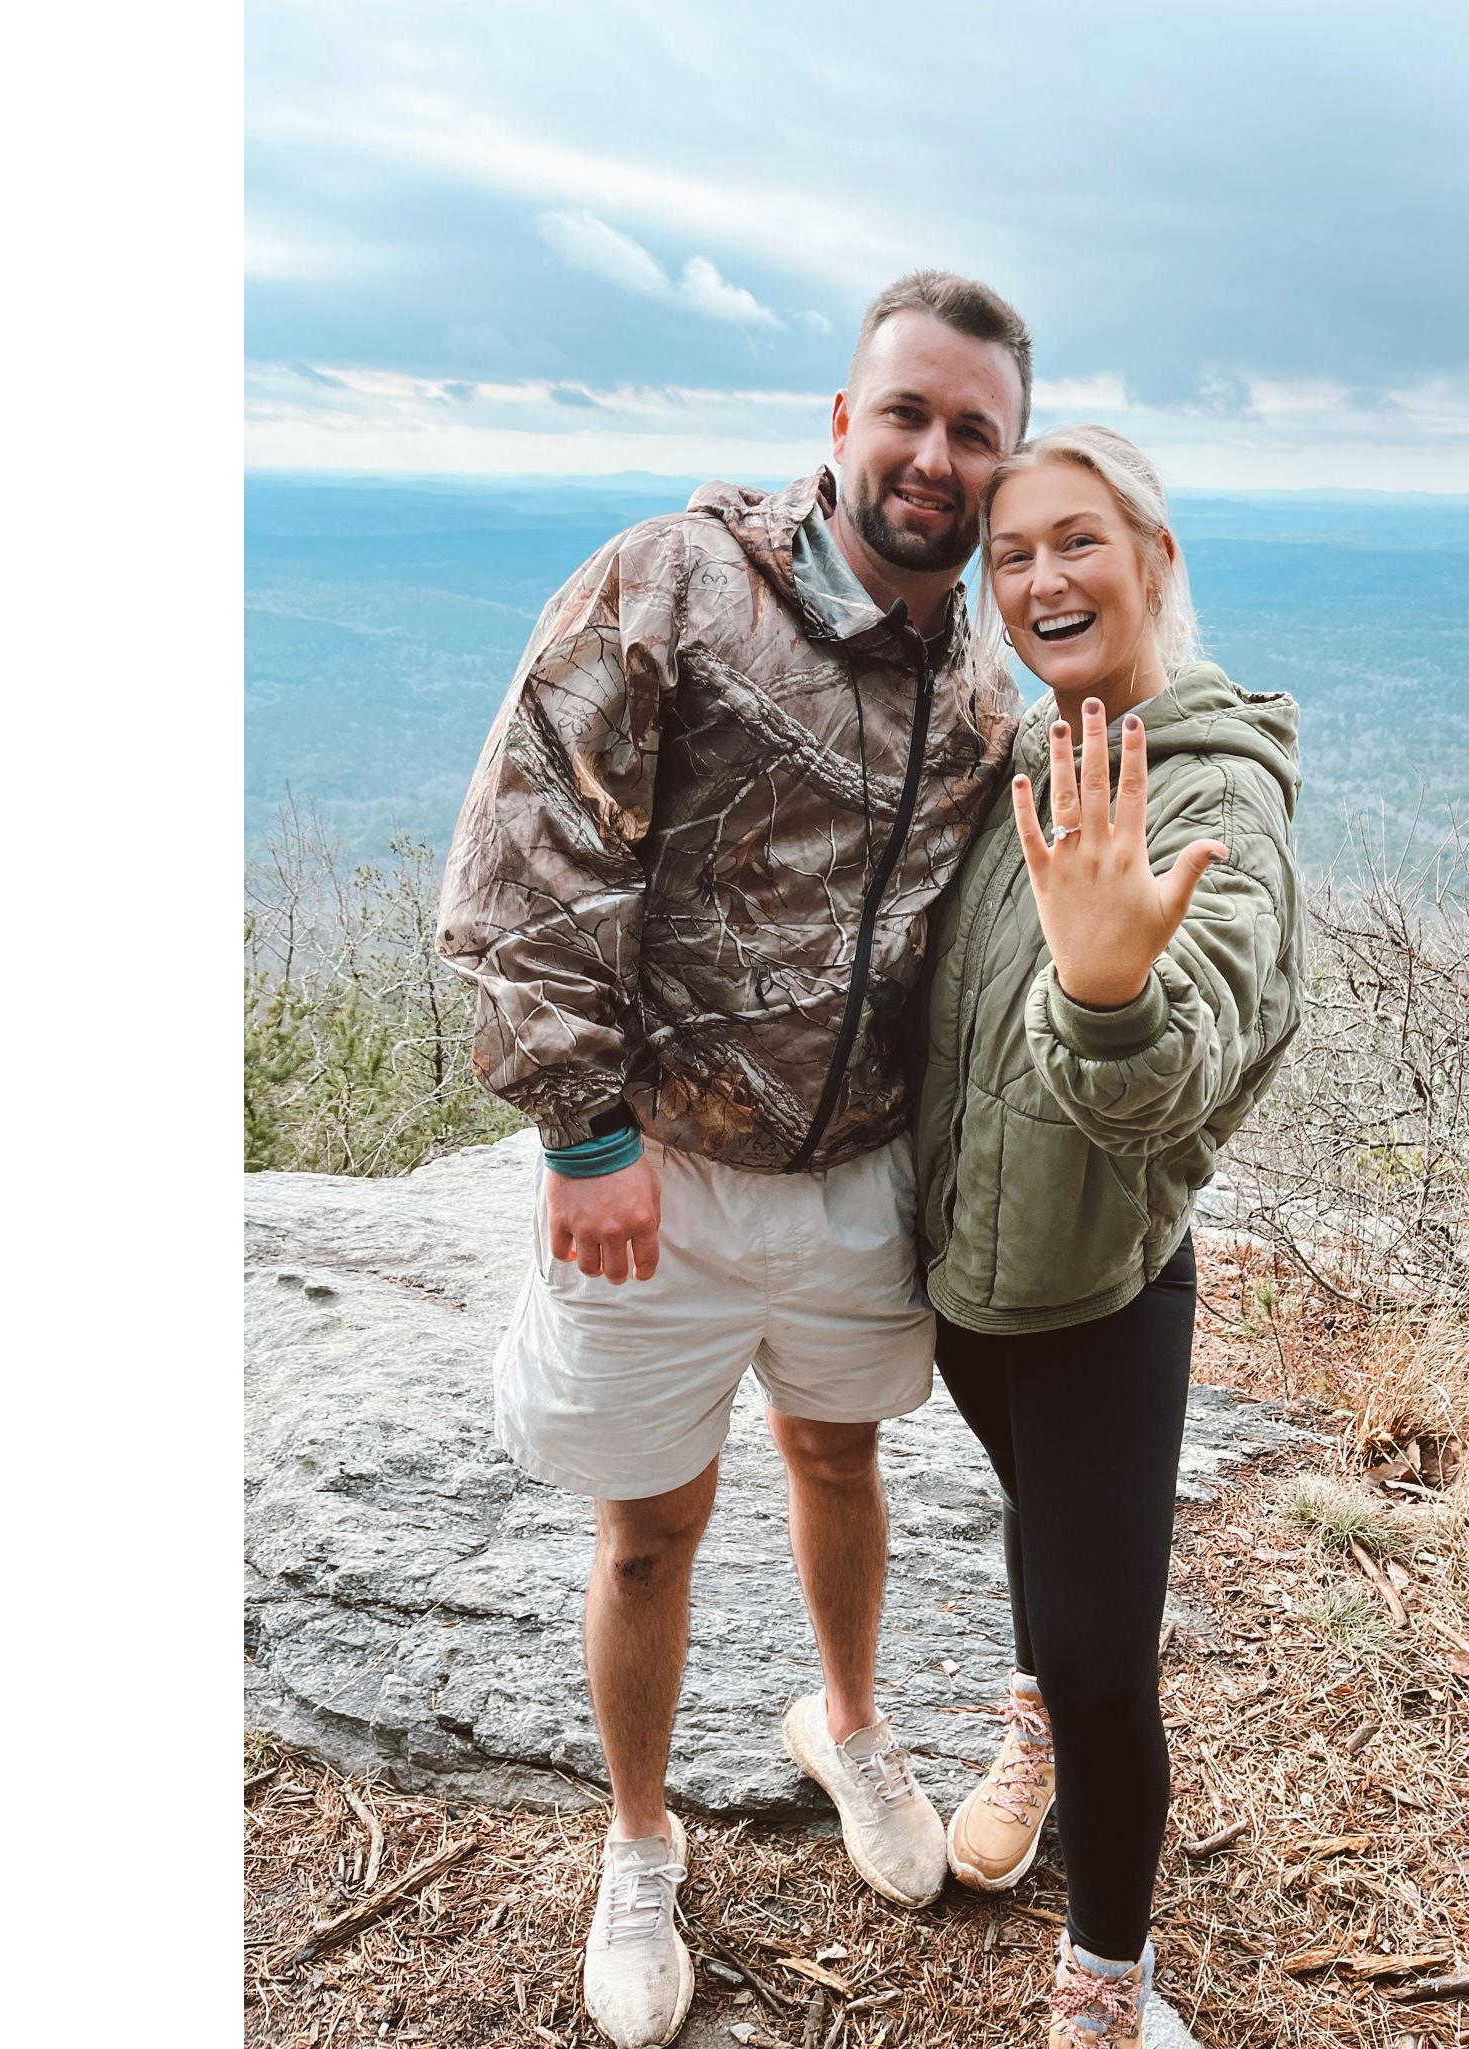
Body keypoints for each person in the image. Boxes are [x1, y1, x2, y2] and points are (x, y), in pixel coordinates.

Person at [436, 271, 1032, 2049]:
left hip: (854, 1183)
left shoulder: (980, 680)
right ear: (840, 425)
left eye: (975, 431)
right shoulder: (677, 583)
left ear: (1004, 467)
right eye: (908, 413)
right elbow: (524, 851)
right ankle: (639, 1843)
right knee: (650, 1527)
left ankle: (844, 1726)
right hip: (657, 1177)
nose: (936, 453)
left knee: (840, 1462)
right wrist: (584, 1126)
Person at [911, 426, 1306, 2046]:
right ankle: (1028, 1720)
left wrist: (1107, 985)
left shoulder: (1210, 790)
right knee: (1039, 1529)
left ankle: (1107, 1985)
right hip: (971, 1284)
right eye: (1010, 556)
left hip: (1094, 1295)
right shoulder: (1023, 756)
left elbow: (1187, 1066)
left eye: (1077, 541)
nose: (1041, 579)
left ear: (1152, 555)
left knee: (1099, 1654)